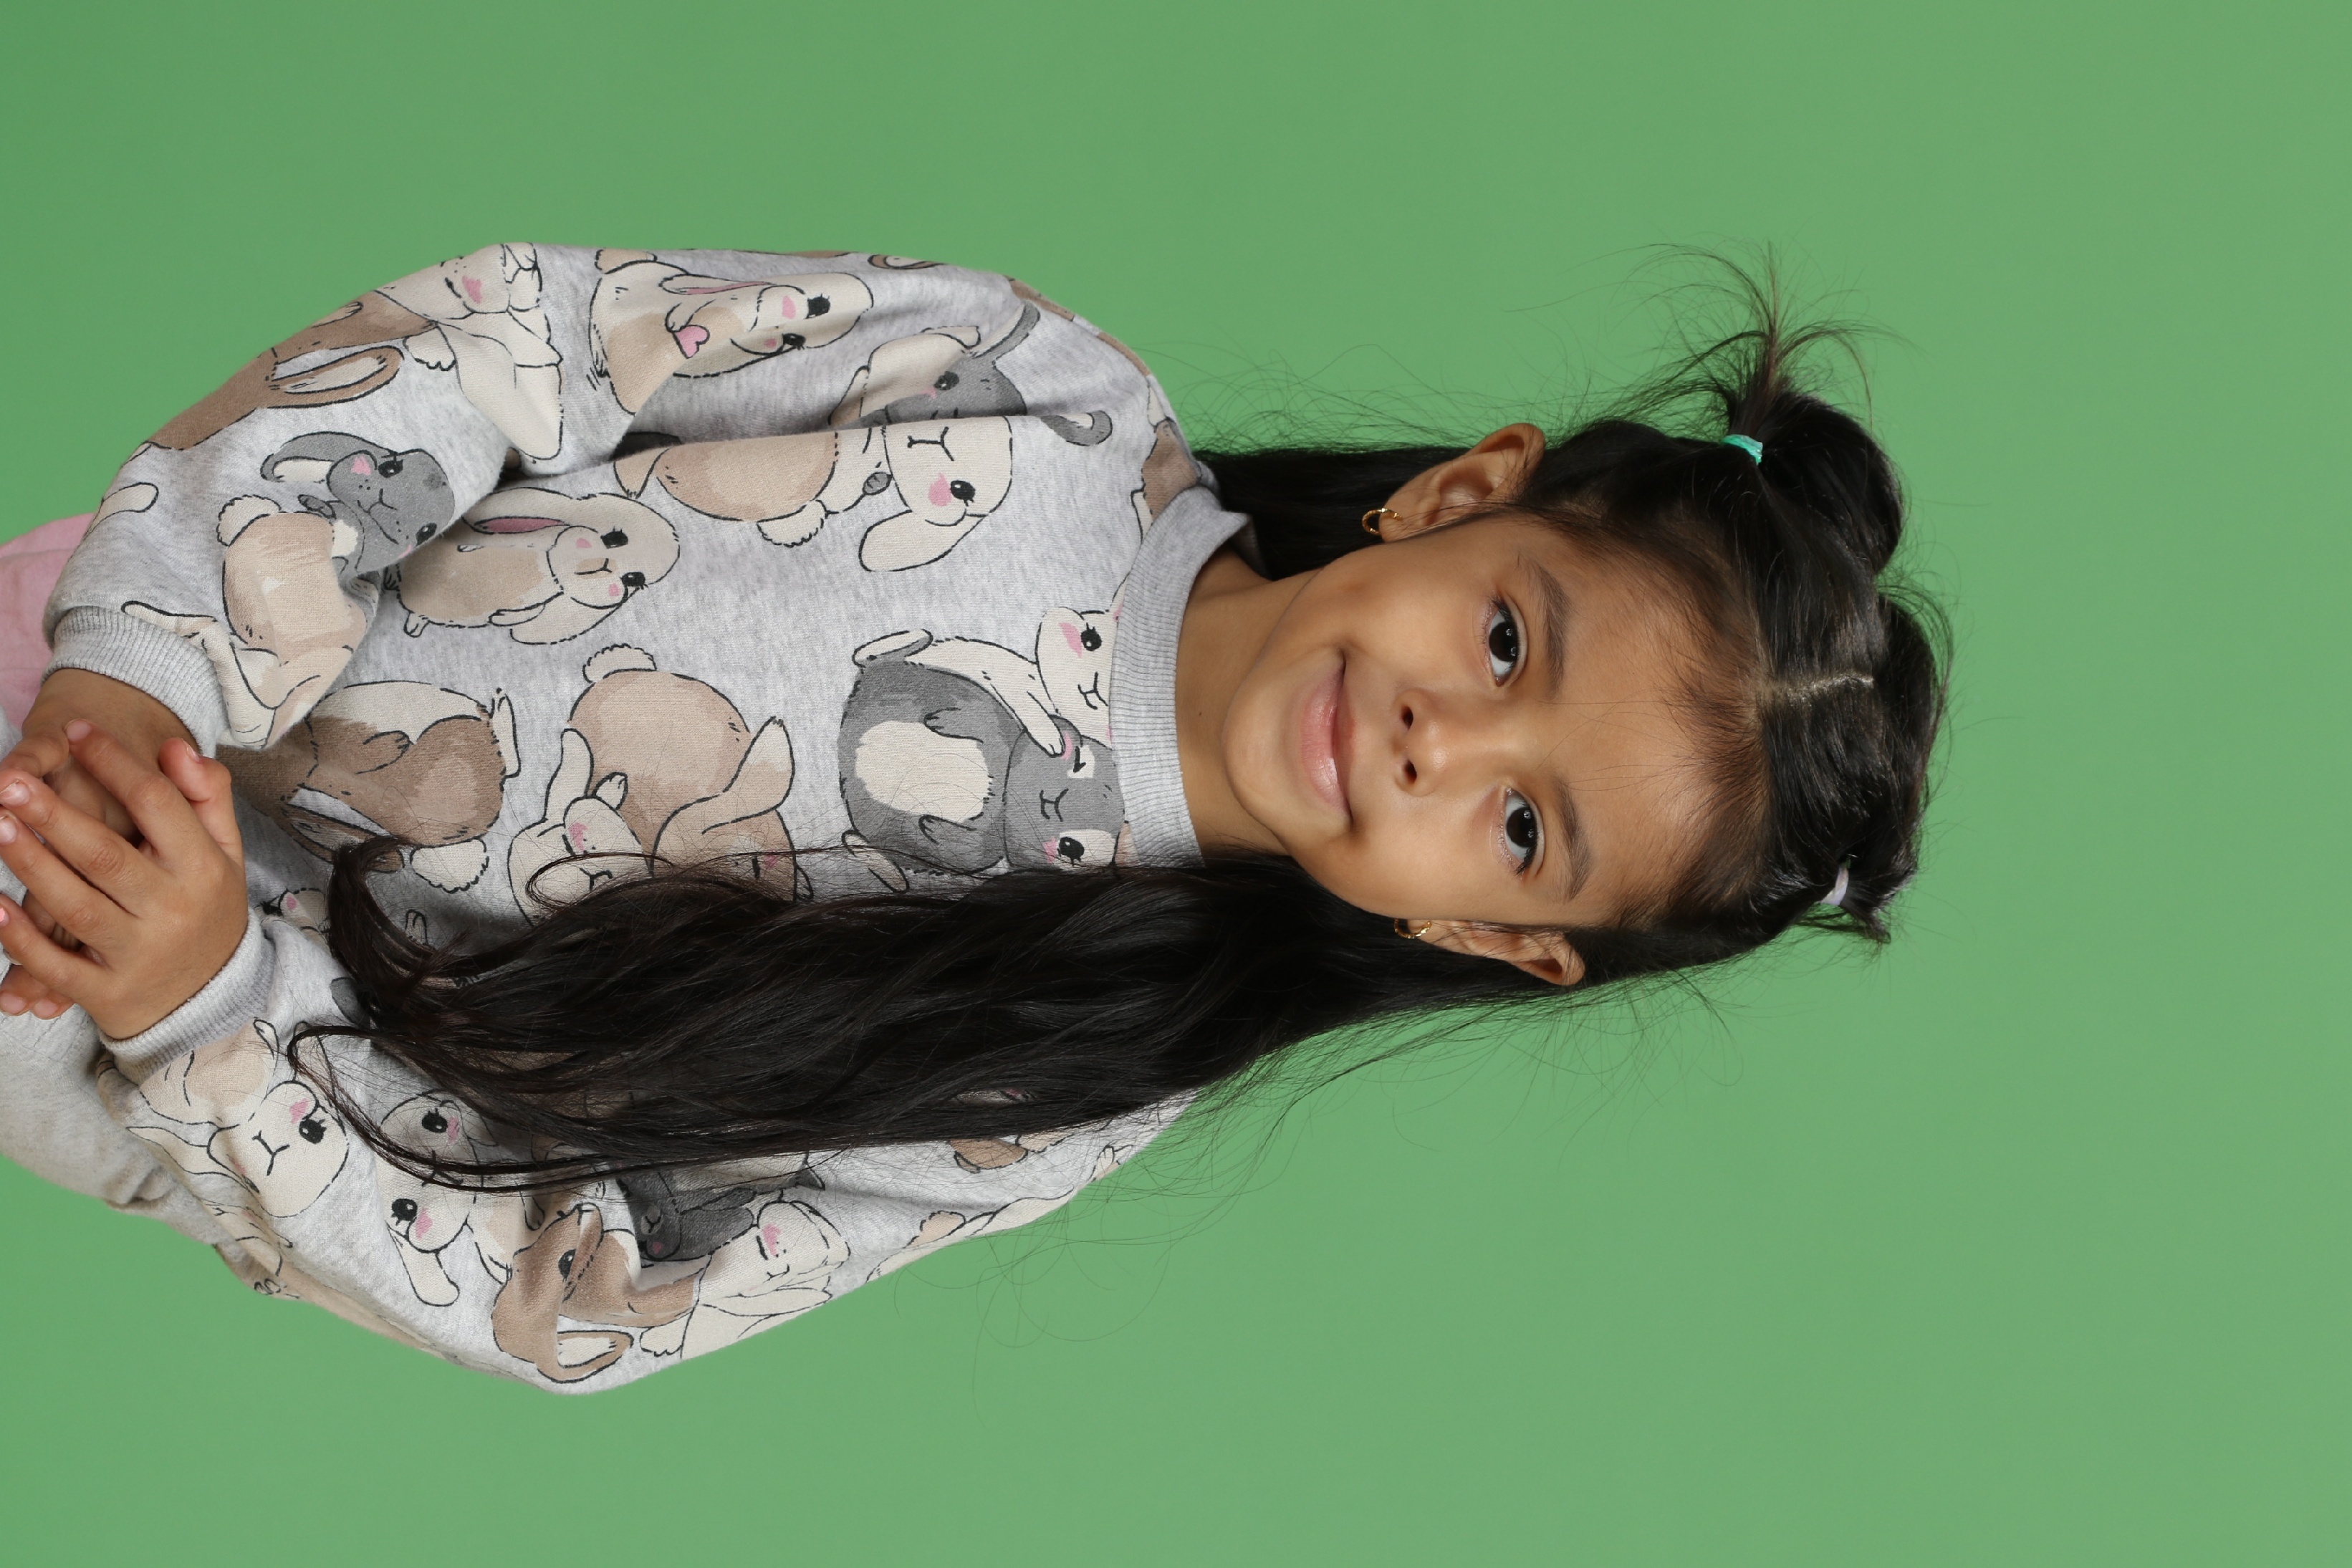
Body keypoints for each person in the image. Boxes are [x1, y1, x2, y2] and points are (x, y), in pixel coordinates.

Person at [0, 244, 1941, 1388]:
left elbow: (570, 1297)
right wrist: (151, 656)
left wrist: (199, 1008)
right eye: (1508, 639)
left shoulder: (1066, 1076)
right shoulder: (1036, 401)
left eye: (1525, 833)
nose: (1449, 741)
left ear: (1489, 936)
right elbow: (530, 340)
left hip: (89, 1004)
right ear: (1463, 496)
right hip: (109, 660)